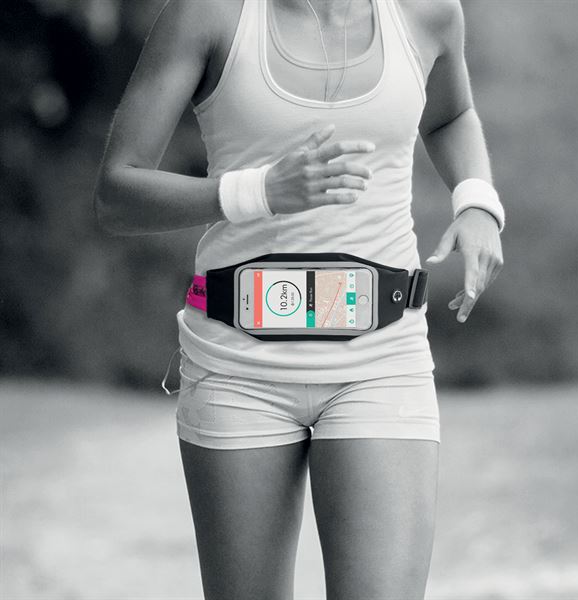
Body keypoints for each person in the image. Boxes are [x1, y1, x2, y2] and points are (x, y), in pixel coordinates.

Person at [94, 0, 504, 598]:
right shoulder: (206, 15)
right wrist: (259, 191)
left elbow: (450, 115)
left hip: (381, 360)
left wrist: (476, 201)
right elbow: (117, 193)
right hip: (238, 366)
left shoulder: (428, 12)